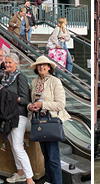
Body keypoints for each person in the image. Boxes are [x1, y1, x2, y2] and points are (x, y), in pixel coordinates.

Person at [27, 56, 70, 184]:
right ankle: (49, 180)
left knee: (53, 156)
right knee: (45, 155)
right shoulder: (34, 82)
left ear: (49, 67)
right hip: (39, 120)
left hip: (51, 120)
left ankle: (57, 182)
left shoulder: (55, 81)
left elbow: (61, 104)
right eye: (39, 65)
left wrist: (42, 104)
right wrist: (30, 106)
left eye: (44, 65)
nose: (41, 67)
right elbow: (32, 100)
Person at [0, 53, 33, 184]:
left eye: (10, 62)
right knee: (12, 144)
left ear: (17, 64)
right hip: (8, 116)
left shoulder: (20, 77)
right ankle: (20, 173)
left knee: (17, 146)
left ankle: (30, 178)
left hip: (18, 115)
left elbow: (24, 99)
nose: (7, 64)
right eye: (6, 62)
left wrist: (10, 98)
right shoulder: (6, 77)